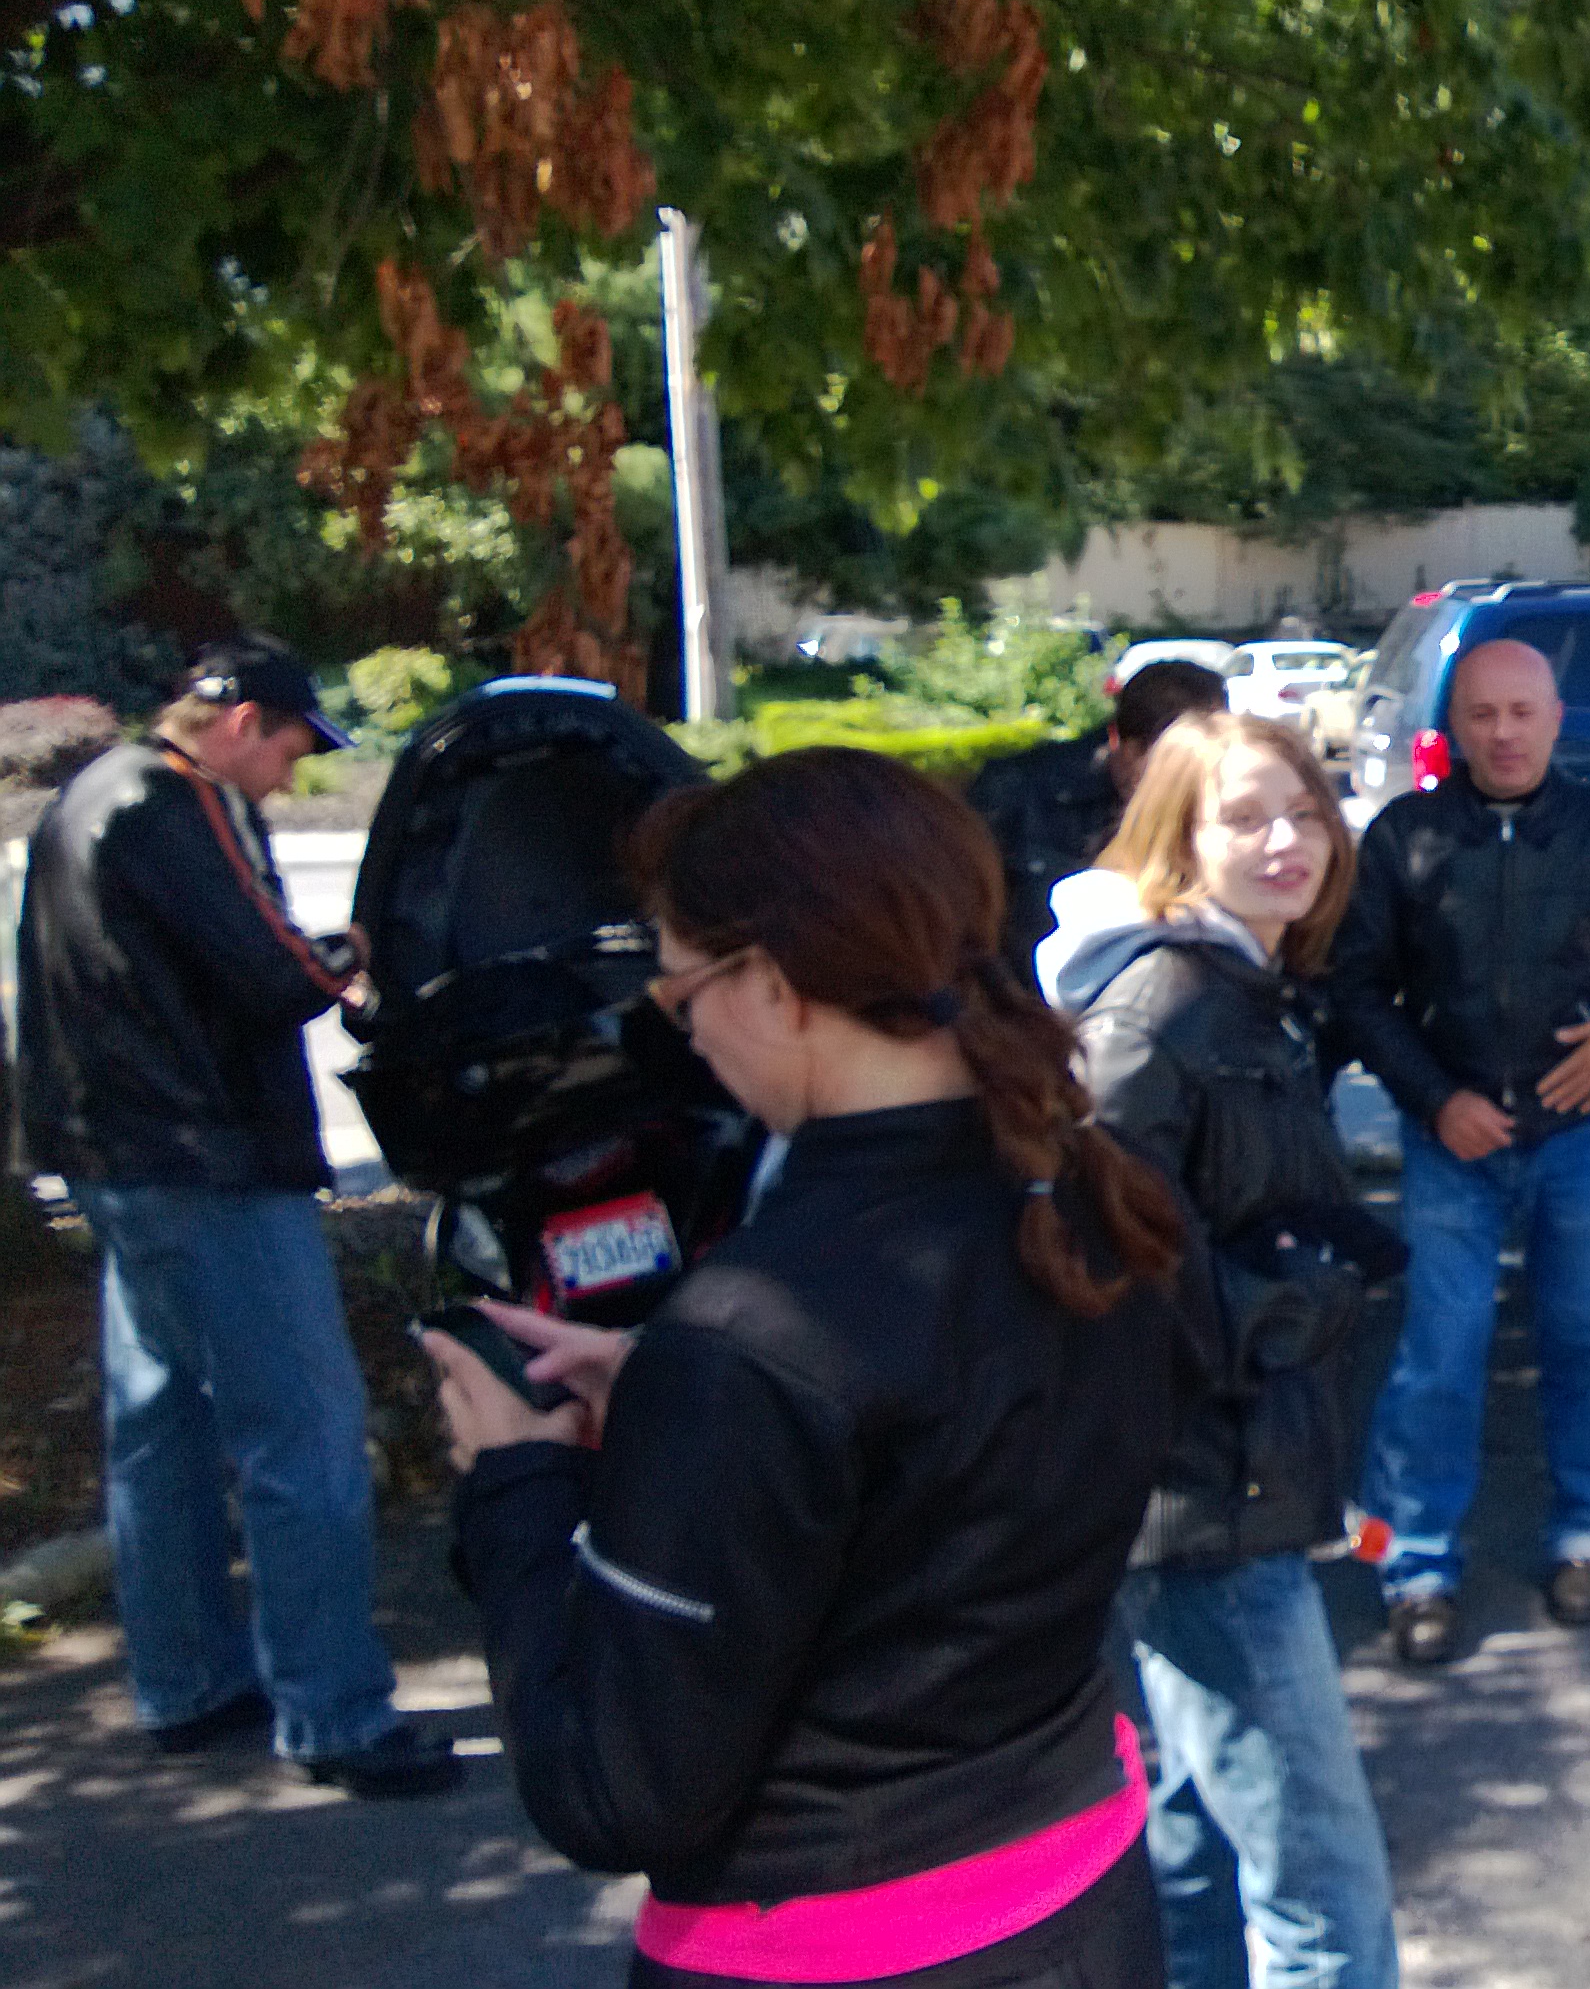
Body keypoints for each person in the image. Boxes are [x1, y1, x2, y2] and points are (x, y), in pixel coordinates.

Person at [424, 747, 1192, 1987]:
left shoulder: (755, 1334)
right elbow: (948, 1465)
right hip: (1082, 1891)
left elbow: (613, 1788)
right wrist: (667, 1407)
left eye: (680, 991)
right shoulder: (1105, 1204)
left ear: (774, 986)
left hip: (845, 1946)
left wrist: (516, 1482)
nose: (685, 1033)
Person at [9, 639, 460, 1798]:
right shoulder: (180, 799)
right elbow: (274, 973)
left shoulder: (89, 794)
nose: (292, 776)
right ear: (243, 720)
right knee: (305, 1430)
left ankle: (187, 1682)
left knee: (161, 1424)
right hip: (209, 1156)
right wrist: (358, 950)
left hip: (114, 1155)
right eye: (292, 747)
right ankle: (335, 1711)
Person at [1038, 714, 1403, 1989]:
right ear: (1175, 838)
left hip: (1223, 1479)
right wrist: (1298, 1302)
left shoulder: (1244, 986)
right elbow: (1106, 1263)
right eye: (1244, 818)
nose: (1287, 840)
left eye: (1305, 812)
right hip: (1204, 1495)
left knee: (1194, 1847)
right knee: (1323, 1891)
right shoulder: (1164, 1005)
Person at [1329, 640, 1590, 1666]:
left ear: (1556, 717)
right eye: (1482, 714)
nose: (1503, 733)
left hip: (1584, 1132)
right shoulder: (1406, 836)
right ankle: (1412, 1563)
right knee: (1439, 1351)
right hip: (1453, 1136)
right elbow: (1356, 987)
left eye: (1522, 712)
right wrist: (1433, 1097)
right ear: (1455, 726)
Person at [971, 654, 1233, 984]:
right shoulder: (1015, 793)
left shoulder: (1231, 797)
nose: (1196, 784)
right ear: (1125, 747)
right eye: (1178, 769)